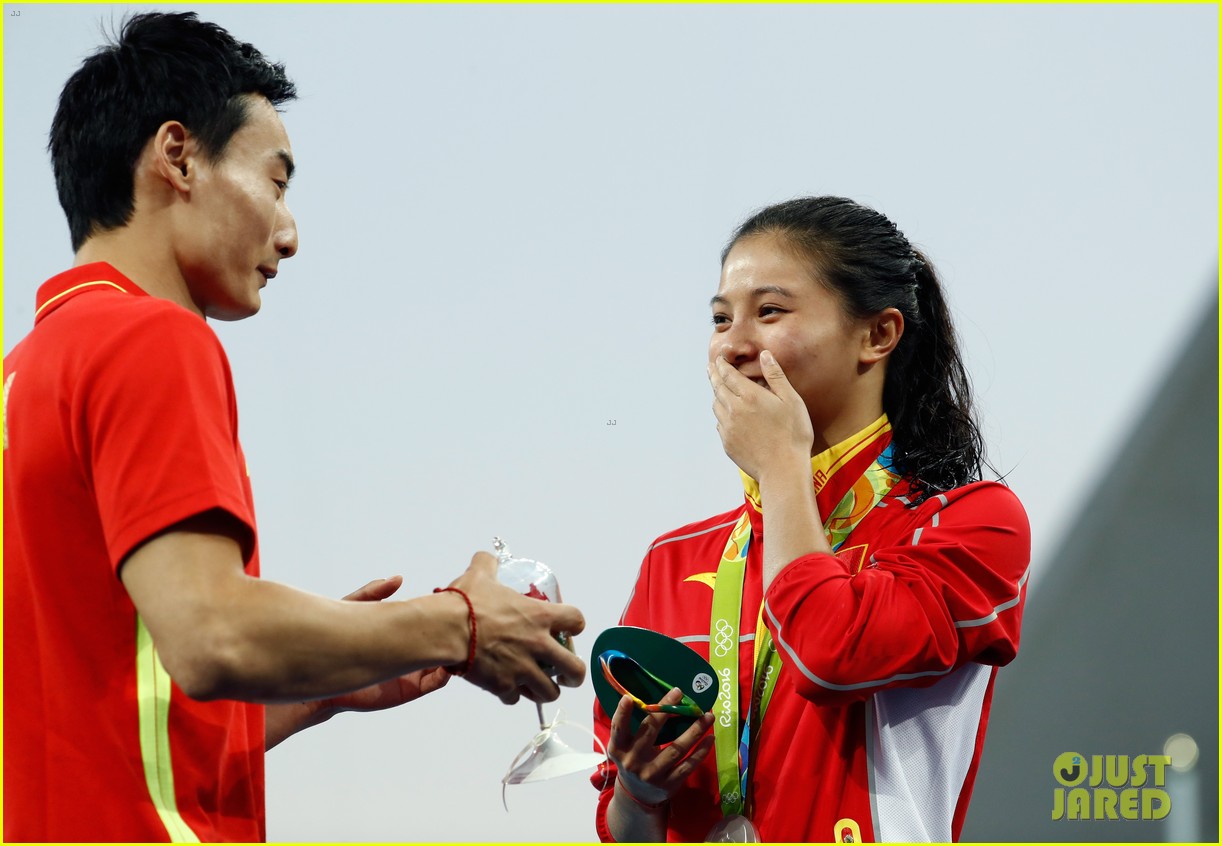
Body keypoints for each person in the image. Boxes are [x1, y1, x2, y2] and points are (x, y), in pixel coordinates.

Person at [2, 12, 585, 842]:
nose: (290, 232)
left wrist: (326, 682)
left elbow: (108, 708)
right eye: (276, 182)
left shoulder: (26, 372)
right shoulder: (151, 337)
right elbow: (210, 635)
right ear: (178, 157)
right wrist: (462, 620)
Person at [592, 196, 1030, 842]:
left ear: (877, 335)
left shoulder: (968, 523)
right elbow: (623, 829)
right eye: (720, 319)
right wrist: (640, 790)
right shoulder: (675, 559)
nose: (734, 346)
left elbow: (832, 653)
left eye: (769, 312)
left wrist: (781, 465)